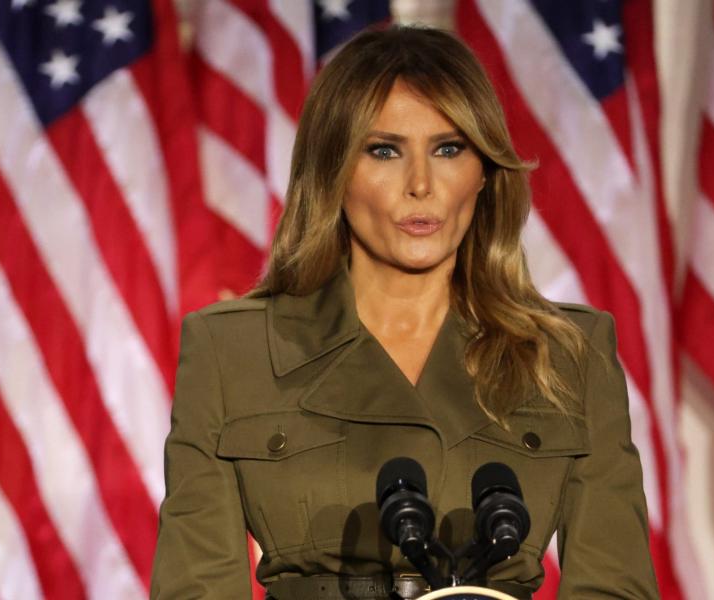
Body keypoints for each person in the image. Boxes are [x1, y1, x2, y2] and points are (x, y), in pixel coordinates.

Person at [151, 25, 658, 600]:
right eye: (384, 150)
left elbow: (615, 589)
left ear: (484, 172)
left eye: (449, 149)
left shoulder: (571, 352)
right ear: (333, 171)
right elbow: (195, 589)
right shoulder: (232, 350)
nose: (421, 184)